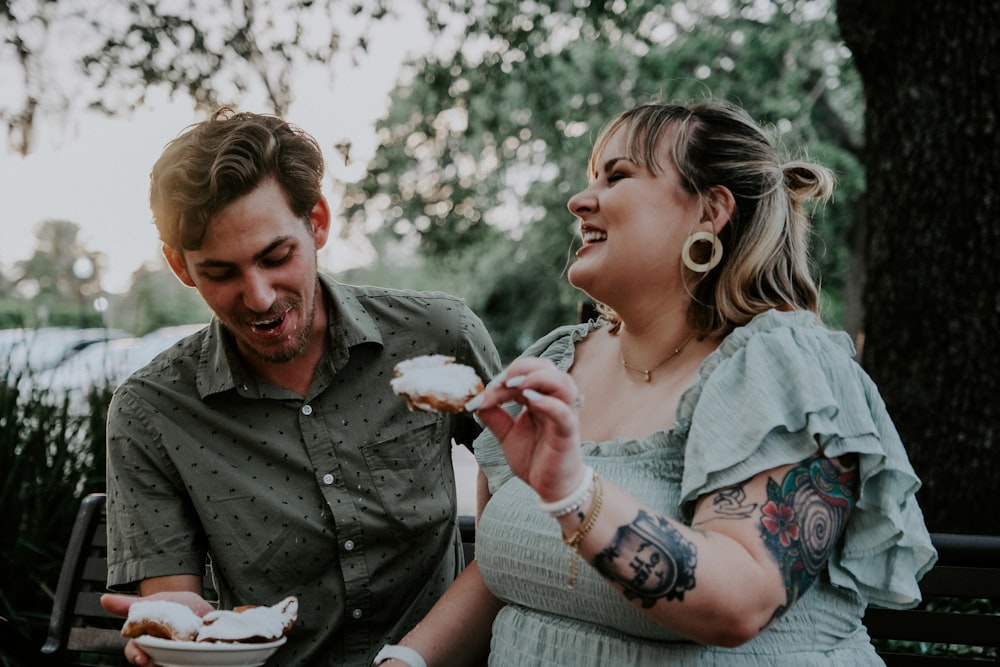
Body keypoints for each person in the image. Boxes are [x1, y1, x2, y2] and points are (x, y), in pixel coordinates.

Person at [371, 99, 937, 667]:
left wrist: (573, 492)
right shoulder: (558, 359)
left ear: (710, 211)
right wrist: (408, 662)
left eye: (617, 176)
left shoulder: (786, 368)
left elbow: (739, 603)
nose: (579, 200)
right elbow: (506, 568)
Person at [98, 108, 502, 666]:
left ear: (317, 222)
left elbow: (520, 519)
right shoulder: (151, 411)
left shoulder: (440, 335)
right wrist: (175, 633)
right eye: (221, 273)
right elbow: (173, 597)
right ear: (180, 265)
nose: (259, 296)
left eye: (276, 256)